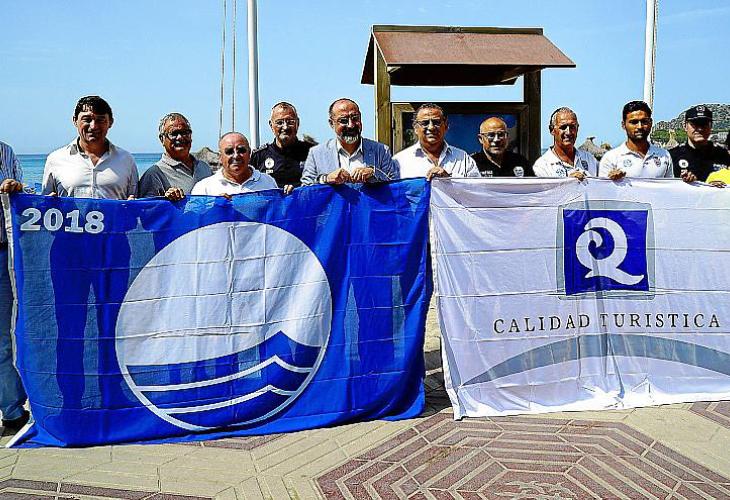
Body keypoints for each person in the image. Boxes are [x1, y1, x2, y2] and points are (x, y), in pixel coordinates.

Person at [42, 95, 139, 199]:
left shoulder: (126, 160)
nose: (93, 126)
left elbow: (136, 200)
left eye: (100, 120)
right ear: (75, 120)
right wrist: (45, 202)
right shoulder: (56, 159)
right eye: (87, 119)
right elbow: (43, 202)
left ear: (110, 122)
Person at [301, 98, 397, 186]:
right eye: (343, 120)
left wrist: (374, 173)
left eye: (355, 118)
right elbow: (305, 190)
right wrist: (326, 178)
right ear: (331, 123)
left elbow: (396, 186)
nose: (351, 125)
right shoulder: (317, 154)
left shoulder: (381, 150)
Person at [0, 141, 29, 432]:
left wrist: (18, 189)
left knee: (5, 337)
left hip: (4, 254)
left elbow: (26, 195)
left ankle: (12, 410)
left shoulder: (5, 152)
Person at [393, 103, 480, 180]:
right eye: (425, 123)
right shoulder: (400, 161)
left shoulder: (463, 159)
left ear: (446, 126)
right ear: (415, 128)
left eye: (436, 122)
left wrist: (449, 180)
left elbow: (476, 190)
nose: (431, 127)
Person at [138, 113, 212, 200]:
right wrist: (168, 199)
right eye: (174, 133)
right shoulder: (154, 175)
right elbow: (147, 207)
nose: (180, 137)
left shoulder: (204, 167)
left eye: (185, 133)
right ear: (162, 139)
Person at [599, 100, 679, 180]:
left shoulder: (664, 155)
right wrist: (611, 180)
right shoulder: (611, 158)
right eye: (634, 122)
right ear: (623, 125)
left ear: (651, 123)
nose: (639, 126)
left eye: (644, 121)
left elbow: (670, 186)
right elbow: (602, 187)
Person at [250, 102, 312, 190]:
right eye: (279, 122)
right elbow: (247, 186)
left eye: (290, 122)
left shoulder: (312, 153)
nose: (285, 127)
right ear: (271, 125)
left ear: (297, 123)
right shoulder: (259, 156)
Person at [192, 132, 278, 195]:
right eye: (229, 152)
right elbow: (193, 214)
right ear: (220, 157)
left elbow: (277, 212)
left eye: (241, 150)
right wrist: (214, 207)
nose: (236, 156)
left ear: (249, 154)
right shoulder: (204, 188)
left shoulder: (267, 182)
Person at [533, 107, 598, 180]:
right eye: (563, 127)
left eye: (572, 127)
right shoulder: (542, 166)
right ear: (552, 130)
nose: (568, 132)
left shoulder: (590, 160)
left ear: (577, 128)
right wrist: (568, 182)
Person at [669, 105, 730, 182]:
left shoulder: (723, 155)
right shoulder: (672, 157)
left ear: (711, 126)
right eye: (695, 124)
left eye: (704, 124)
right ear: (685, 126)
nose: (700, 129)